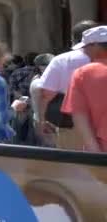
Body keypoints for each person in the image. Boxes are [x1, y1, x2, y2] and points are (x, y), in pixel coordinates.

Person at [38, 20, 99, 150]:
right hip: (101, 121)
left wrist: (42, 119)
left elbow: (46, 94)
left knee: (71, 164)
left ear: (73, 38)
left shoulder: (61, 60)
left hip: (71, 122)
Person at [61, 26, 107, 153]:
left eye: (85, 46)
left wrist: (95, 153)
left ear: (96, 46)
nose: (84, 51)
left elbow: (79, 115)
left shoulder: (83, 74)